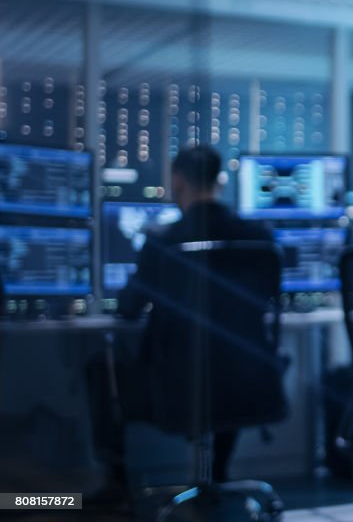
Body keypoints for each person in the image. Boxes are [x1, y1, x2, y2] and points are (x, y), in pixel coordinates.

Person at [86, 144, 274, 507]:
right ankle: (218, 473)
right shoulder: (259, 237)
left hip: (178, 389)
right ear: (219, 181)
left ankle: (117, 485)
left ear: (177, 180)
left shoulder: (162, 241)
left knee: (100, 368)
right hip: (249, 382)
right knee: (225, 366)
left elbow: (128, 309)